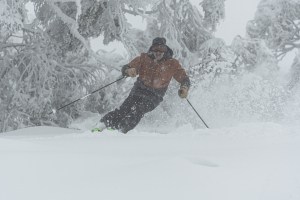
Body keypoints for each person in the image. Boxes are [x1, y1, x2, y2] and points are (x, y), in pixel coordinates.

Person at [100, 37, 191, 133]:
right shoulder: (143, 59)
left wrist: (184, 88)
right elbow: (126, 68)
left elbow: (185, 79)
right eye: (155, 49)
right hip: (138, 90)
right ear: (152, 49)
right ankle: (103, 125)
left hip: (155, 96)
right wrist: (128, 70)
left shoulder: (172, 64)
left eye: (161, 49)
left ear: (165, 49)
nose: (158, 52)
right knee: (124, 109)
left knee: (138, 110)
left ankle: (121, 129)